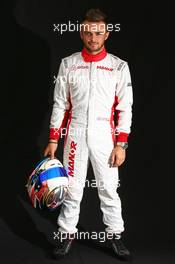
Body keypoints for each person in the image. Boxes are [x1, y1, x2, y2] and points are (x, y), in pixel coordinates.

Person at [44, 8, 133, 261]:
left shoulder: (118, 66)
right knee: (72, 189)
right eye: (88, 33)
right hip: (75, 134)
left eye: (98, 33)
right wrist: (53, 139)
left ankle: (115, 235)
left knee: (108, 188)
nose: (93, 38)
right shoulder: (68, 64)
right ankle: (66, 234)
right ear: (82, 34)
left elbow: (125, 108)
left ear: (106, 35)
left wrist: (121, 145)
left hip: (105, 136)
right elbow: (60, 104)